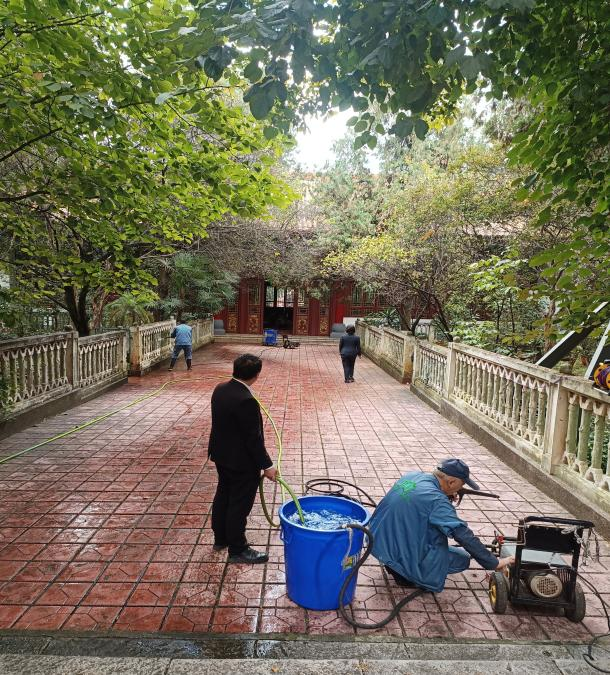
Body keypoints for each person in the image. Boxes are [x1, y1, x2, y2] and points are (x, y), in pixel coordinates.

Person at [369, 458, 514, 592]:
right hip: (400, 554)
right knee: (462, 559)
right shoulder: (437, 501)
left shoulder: (413, 476)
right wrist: (494, 563)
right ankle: (408, 574)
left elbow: (419, 505)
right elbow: (462, 534)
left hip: (377, 541)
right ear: (451, 482)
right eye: (461, 485)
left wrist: (444, 495)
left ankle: (395, 564)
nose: (459, 489)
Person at [208, 354, 278, 563]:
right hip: (241, 462)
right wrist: (267, 466)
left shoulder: (220, 389)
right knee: (239, 504)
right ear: (256, 375)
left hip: (221, 455)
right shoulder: (246, 400)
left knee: (223, 495)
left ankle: (220, 538)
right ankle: (238, 549)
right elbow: (253, 439)